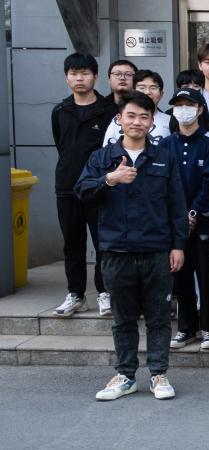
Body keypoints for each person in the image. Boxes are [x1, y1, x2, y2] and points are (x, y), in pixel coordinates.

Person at [75, 91, 187, 402]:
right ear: (119, 119)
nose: (137, 122)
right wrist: (110, 179)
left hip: (156, 250)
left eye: (144, 117)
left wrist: (178, 245)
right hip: (116, 250)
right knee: (123, 318)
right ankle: (125, 375)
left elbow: (177, 204)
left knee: (159, 317)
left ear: (152, 122)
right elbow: (82, 191)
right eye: (131, 116)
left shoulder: (164, 156)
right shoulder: (102, 158)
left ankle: (158, 373)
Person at [51, 53, 119, 318]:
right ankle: (76, 294)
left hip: (99, 187)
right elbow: (61, 145)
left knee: (103, 242)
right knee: (72, 243)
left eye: (85, 73)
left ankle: (104, 292)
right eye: (73, 73)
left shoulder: (109, 111)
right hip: (67, 186)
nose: (79, 78)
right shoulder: (60, 111)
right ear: (66, 77)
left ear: (96, 76)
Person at [163, 88, 209, 351]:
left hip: (203, 222)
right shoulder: (166, 144)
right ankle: (186, 328)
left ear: (199, 109)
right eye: (179, 105)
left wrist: (193, 213)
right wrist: (177, 216)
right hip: (174, 223)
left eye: (189, 104)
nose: (183, 109)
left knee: (205, 277)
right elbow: (164, 183)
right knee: (180, 275)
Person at [102, 70, 173, 146]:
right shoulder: (119, 120)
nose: (147, 92)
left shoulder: (170, 121)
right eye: (142, 87)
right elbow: (107, 149)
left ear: (161, 94)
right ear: (133, 91)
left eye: (153, 87)